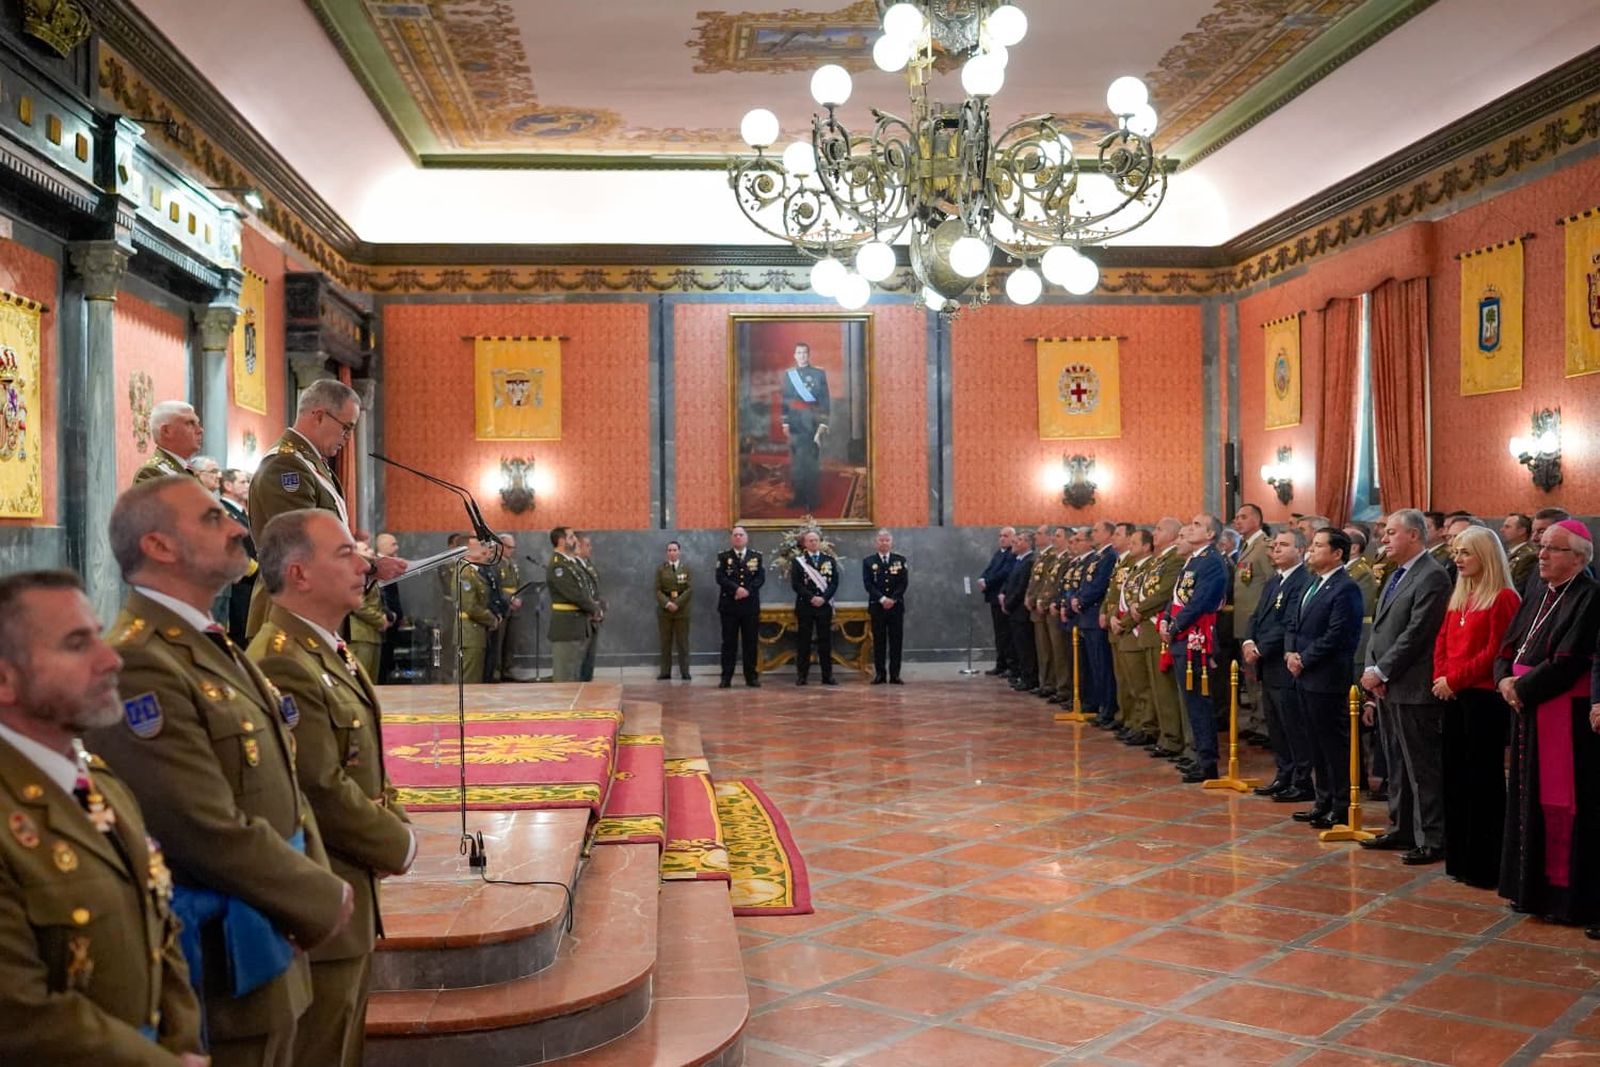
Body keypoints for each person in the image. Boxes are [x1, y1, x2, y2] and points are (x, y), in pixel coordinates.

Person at [88, 476, 353, 1067]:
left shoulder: (212, 644)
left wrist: (304, 893)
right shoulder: (140, 660)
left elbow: (283, 788)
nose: (239, 527)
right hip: (223, 959)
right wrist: (314, 895)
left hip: (272, 937)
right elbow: (194, 822)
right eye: (213, 519)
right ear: (159, 546)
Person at [0, 570, 208, 1066]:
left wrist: (182, 1041)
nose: (110, 658)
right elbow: (19, 1015)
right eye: (77, 644)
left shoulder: (98, 783)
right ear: (5, 680)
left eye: (98, 634)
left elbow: (160, 930)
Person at [247, 510, 416, 1067]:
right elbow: (318, 785)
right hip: (323, 895)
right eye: (344, 553)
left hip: (349, 889)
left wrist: (395, 820)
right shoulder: (284, 661)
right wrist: (397, 843)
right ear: (299, 574)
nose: (363, 563)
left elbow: (361, 765)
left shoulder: (324, 649)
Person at [1494, 519, 1600, 927]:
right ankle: (1533, 891)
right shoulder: (1538, 591)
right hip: (1529, 709)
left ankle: (1567, 897)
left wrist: (1522, 689)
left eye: (1552, 549)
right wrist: (1503, 677)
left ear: (1577, 557)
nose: (1541, 554)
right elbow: (1508, 642)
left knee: (1567, 804)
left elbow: (1569, 660)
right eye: (1542, 547)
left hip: (1563, 717)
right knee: (1527, 798)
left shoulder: (1590, 597)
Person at [248, 380, 405, 636]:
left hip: (314, 608)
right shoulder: (286, 465)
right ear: (319, 416)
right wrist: (372, 566)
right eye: (346, 428)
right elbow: (300, 544)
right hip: (290, 610)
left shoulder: (313, 465)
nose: (348, 438)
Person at [1360, 509, 1453, 864]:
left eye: (1392, 533)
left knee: (1421, 766)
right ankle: (1401, 827)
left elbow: (1417, 634)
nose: (1384, 539)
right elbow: (1381, 628)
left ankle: (1431, 836)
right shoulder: (1397, 574)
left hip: (1412, 685)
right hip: (1388, 684)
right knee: (1397, 762)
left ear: (1414, 536)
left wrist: (1381, 671)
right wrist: (1373, 668)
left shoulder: (1432, 576)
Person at [1432, 526, 1520, 888]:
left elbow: (1497, 651)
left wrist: (1455, 680)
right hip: (1452, 695)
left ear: (1485, 555)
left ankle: (1485, 864)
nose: (1458, 559)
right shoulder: (1461, 595)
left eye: (1465, 552)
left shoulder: (1503, 598)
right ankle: (1460, 859)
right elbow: (1442, 640)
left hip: (1482, 698)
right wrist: (1442, 677)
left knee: (1482, 780)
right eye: (1456, 552)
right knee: (1454, 777)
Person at [1284, 529, 1366, 828]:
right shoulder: (1311, 584)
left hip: (1327, 676)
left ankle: (1341, 805)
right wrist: (1289, 652)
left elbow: (1338, 635)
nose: (1311, 550)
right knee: (1314, 742)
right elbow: (1293, 622)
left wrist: (1304, 658)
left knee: (1332, 744)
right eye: (1312, 545)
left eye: (1319, 546)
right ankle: (1322, 801)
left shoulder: (1346, 588)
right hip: (1303, 674)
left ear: (1337, 554)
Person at [1243, 528, 1315, 803]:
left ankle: (1301, 779)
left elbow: (1288, 623)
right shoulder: (1274, 581)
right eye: (1275, 546)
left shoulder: (1304, 580)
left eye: (1284, 545)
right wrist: (1249, 641)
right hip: (1266, 664)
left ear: (1300, 550)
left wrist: (1261, 647)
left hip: (1282, 662)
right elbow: (1257, 615)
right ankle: (1283, 774)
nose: (1277, 550)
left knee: (1292, 724)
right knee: (1275, 724)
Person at [1161, 515, 1229, 783]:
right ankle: (1199, 755)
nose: (1189, 527)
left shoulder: (1212, 562)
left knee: (1199, 701)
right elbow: (1177, 595)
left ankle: (1208, 762)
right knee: (1190, 700)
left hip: (1195, 639)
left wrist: (1175, 626)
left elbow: (1199, 602)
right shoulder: (1193, 559)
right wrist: (1167, 618)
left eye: (1198, 525)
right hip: (1181, 636)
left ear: (1211, 534)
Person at [1137, 518, 1187, 759]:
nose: (1154, 533)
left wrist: (1139, 608)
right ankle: (1164, 734)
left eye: (1158, 529)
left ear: (1172, 534)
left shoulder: (1175, 559)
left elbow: (1164, 592)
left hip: (1159, 626)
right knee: (1155, 687)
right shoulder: (1159, 560)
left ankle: (1172, 737)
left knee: (1165, 688)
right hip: (1148, 628)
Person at [1108, 527, 1157, 745]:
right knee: (1129, 681)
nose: (1130, 546)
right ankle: (1134, 722)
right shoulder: (1133, 567)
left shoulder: (1147, 567)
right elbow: (1116, 594)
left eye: (1134, 542)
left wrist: (1124, 621)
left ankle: (1145, 725)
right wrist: (1111, 616)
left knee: (1141, 683)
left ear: (1147, 546)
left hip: (1136, 628)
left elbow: (1140, 601)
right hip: (1122, 626)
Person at [1232, 504, 1273, 740]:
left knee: (1259, 675)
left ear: (1257, 520)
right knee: (1250, 677)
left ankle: (1266, 725)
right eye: (1236, 517)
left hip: (1258, 624)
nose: (1238, 521)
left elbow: (1270, 584)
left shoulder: (1264, 547)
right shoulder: (1247, 547)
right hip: (1244, 623)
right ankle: (1258, 720)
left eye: (1243, 517)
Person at [1074, 521, 1118, 725]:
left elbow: (1101, 584)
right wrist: (1076, 598)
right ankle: (1100, 704)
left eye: (1097, 530)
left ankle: (1107, 707)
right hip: (1087, 615)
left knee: (1102, 665)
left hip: (1095, 614)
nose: (1093, 533)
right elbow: (1085, 582)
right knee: (1094, 665)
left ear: (1109, 534)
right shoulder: (1098, 556)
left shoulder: (1109, 557)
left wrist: (1082, 600)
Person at [779, 343, 830, 512]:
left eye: (804, 352)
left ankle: (812, 499)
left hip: (811, 420)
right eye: (799, 353)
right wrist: (785, 421)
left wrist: (823, 424)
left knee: (810, 461)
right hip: (794, 421)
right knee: (797, 462)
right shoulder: (789, 375)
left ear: (809, 355)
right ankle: (799, 497)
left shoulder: (818, 373)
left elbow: (824, 400)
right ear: (794, 355)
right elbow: (785, 399)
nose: (801, 356)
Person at [547, 527, 600, 683]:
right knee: (565, 677)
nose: (575, 540)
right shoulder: (559, 566)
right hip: (567, 626)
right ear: (561, 541)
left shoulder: (570, 564)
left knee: (574, 674)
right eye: (571, 537)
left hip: (577, 625)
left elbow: (584, 590)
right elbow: (575, 595)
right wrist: (594, 609)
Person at [716, 526, 765, 688]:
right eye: (735, 535)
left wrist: (746, 591)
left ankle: (751, 677)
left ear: (746, 538)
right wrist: (736, 589)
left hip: (749, 606)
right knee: (728, 643)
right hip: (729, 607)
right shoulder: (723, 557)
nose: (738, 537)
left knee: (750, 643)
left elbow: (760, 579)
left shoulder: (756, 556)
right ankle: (726, 677)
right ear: (731, 538)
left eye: (741, 535)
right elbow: (720, 578)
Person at [790, 530, 839, 686]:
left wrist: (823, 598)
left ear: (820, 542)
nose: (813, 543)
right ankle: (802, 676)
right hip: (806, 605)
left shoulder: (829, 560)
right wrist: (812, 597)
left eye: (816, 540)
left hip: (824, 606)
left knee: (825, 642)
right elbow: (796, 584)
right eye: (810, 540)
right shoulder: (798, 562)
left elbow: (834, 583)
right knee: (804, 642)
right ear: (805, 543)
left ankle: (827, 676)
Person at [864, 528, 909, 684]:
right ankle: (880, 674)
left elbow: (903, 583)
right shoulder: (869, 561)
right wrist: (883, 599)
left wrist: (893, 599)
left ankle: (895, 674)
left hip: (896, 607)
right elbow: (868, 585)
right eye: (881, 540)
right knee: (879, 642)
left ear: (891, 542)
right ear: (876, 543)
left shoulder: (900, 560)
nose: (884, 543)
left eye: (887, 540)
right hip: (878, 606)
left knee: (896, 641)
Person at [219, 469, 257, 645]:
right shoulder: (223, 511)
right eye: (242, 482)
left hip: (249, 585)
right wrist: (256, 569)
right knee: (239, 635)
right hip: (238, 583)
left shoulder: (242, 513)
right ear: (227, 485)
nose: (247, 486)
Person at [999, 528, 1036, 692]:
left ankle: (1029, 678)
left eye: (1019, 540)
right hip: (1014, 611)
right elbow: (1010, 582)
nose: (1015, 542)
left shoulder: (1029, 561)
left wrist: (1008, 603)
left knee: (1026, 647)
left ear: (1027, 543)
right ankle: (1022, 675)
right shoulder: (1019, 560)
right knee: (1018, 647)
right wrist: (1004, 598)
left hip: (1020, 611)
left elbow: (1021, 588)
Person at [132, 400, 203, 484]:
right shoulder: (152, 473)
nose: (200, 430)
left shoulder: (188, 470)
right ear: (166, 431)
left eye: (197, 423)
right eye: (190, 423)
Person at [346, 540, 387, 680]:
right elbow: (357, 604)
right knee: (362, 680)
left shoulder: (368, 573)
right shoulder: (353, 573)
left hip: (371, 634)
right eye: (366, 548)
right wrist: (379, 619)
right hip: (360, 635)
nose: (371, 551)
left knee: (372, 681)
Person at [979, 527, 1016, 676]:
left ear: (1013, 538)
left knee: (1007, 634)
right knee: (999, 633)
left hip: (1004, 598)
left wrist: (987, 582)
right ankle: (1000, 663)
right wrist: (982, 579)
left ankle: (1008, 664)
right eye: (1000, 536)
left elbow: (1004, 573)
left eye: (1005, 536)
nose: (1002, 538)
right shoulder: (998, 553)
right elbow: (989, 569)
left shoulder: (1012, 554)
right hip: (994, 597)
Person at [655, 541, 693, 680]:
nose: (672, 552)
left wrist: (677, 603)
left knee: (683, 643)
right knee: (665, 643)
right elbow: (657, 590)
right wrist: (667, 604)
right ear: (667, 553)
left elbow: (689, 589)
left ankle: (685, 671)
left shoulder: (686, 569)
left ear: (679, 552)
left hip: (682, 611)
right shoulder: (661, 569)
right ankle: (665, 672)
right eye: (669, 550)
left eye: (674, 550)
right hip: (665, 611)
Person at [493, 534, 524, 681]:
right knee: (499, 641)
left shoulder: (513, 564)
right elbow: (496, 587)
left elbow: (517, 585)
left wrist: (518, 597)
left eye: (513, 548)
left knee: (511, 641)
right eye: (509, 547)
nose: (512, 550)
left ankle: (508, 669)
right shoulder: (494, 563)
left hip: (514, 607)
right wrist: (510, 598)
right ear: (500, 546)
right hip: (502, 606)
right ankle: (497, 671)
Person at [374, 533, 405, 683]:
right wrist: (388, 615)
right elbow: (380, 596)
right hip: (381, 623)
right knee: (379, 668)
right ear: (383, 546)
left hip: (392, 623)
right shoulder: (377, 567)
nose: (397, 547)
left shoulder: (391, 565)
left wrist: (399, 615)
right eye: (393, 544)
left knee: (387, 665)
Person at [575, 533, 604, 681]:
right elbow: (579, 592)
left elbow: (595, 588)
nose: (590, 548)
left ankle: (587, 681)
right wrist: (592, 608)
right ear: (578, 546)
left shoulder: (588, 564)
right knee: (581, 655)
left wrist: (600, 607)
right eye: (587, 545)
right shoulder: (574, 565)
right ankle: (580, 684)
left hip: (594, 613)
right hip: (583, 615)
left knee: (590, 655)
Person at [1502, 512, 1539, 591]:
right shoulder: (1509, 553)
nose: (1502, 530)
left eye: (1507, 527)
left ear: (1521, 531)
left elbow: (1518, 588)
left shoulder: (1528, 557)